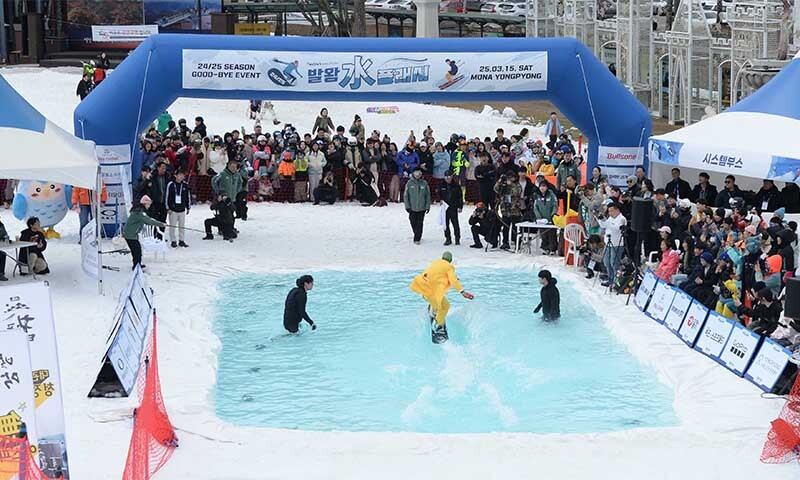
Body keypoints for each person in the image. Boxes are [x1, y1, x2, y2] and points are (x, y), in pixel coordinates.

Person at [409, 251, 474, 343]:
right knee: (445, 306)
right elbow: (453, 281)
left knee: (436, 302)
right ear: (450, 260)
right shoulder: (449, 267)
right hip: (432, 291)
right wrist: (462, 291)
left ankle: (433, 310)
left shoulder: (436, 262)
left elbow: (435, 274)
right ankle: (437, 325)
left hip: (423, 286)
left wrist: (452, 278)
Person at [123, 196, 165, 270]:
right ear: (145, 203)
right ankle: (136, 267)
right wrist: (161, 224)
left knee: (136, 251)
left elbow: (146, 221)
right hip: (130, 235)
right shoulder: (140, 212)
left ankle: (137, 265)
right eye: (148, 204)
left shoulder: (138, 210)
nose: (149, 206)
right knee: (137, 251)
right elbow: (149, 221)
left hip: (131, 234)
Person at [599, 203, 627, 287]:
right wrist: (601, 219)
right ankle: (610, 279)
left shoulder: (622, 219)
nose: (610, 213)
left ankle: (616, 281)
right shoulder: (610, 218)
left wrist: (606, 223)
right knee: (606, 261)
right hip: (608, 243)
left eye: (611, 211)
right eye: (609, 211)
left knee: (614, 263)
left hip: (617, 244)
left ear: (617, 210)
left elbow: (616, 229)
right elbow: (603, 225)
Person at [404, 167, 431, 244]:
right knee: (412, 221)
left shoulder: (424, 183)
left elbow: (427, 196)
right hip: (412, 208)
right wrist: (407, 206)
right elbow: (406, 195)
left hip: (421, 208)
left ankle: (417, 238)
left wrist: (427, 206)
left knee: (420, 223)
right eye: (416, 173)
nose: (417, 175)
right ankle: (416, 233)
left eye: (419, 173)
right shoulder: (409, 183)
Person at [166, 170, 191, 248]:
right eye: (179, 175)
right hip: (173, 209)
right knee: (172, 226)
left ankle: (181, 240)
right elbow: (167, 196)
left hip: (182, 209)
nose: (181, 177)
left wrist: (188, 207)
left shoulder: (185, 185)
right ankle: (173, 241)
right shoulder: (171, 184)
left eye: (182, 175)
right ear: (175, 176)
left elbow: (188, 196)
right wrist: (168, 208)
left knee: (182, 226)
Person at [439, 170, 463, 246]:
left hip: (453, 207)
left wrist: (460, 206)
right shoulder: (441, 185)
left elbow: (460, 197)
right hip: (445, 208)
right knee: (445, 224)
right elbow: (439, 194)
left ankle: (457, 238)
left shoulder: (456, 185)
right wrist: (440, 200)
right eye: (446, 177)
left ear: (452, 177)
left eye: (449, 177)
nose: (447, 179)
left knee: (455, 223)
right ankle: (448, 238)